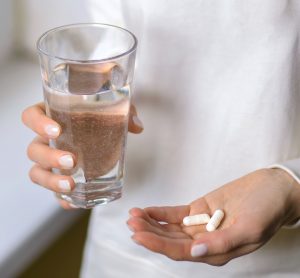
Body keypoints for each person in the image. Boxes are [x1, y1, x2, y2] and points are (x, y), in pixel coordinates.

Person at [22, 0, 300, 277]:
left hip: (277, 261)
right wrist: (79, 121)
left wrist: (291, 183)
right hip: (123, 245)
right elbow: (117, 40)